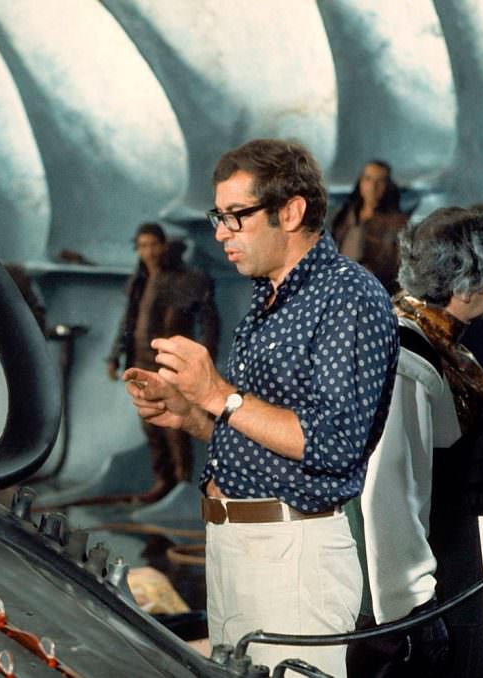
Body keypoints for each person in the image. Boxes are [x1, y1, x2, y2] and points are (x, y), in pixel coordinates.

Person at [123, 138, 398, 676]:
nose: (221, 233)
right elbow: (258, 429)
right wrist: (193, 416)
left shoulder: (348, 297)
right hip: (234, 545)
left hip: (292, 557)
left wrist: (215, 394)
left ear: (291, 211)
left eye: (236, 216)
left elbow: (334, 443)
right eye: (218, 216)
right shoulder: (268, 297)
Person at [348, 206, 483, 677]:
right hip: (417, 593)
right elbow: (389, 492)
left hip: (447, 565)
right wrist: (413, 611)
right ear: (466, 283)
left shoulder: (435, 338)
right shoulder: (407, 352)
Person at [107, 223, 220, 501]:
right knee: (151, 425)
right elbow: (128, 321)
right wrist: (115, 356)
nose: (148, 252)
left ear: (164, 245)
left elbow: (209, 320)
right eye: (143, 246)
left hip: (168, 362)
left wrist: (205, 356)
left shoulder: (184, 279)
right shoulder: (140, 280)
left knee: (176, 426)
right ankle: (163, 481)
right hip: (140, 361)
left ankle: (181, 483)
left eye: (153, 245)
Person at [331, 160, 408, 294]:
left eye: (380, 181)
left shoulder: (398, 223)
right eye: (368, 179)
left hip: (378, 292)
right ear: (360, 182)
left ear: (388, 185)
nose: (373, 187)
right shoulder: (344, 215)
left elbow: (402, 268)